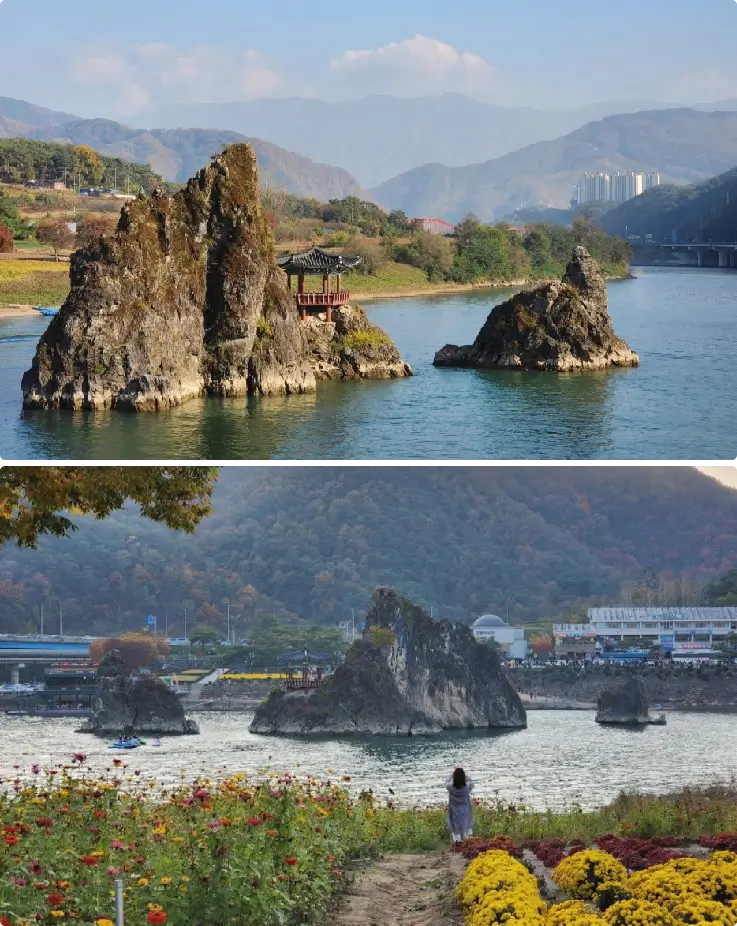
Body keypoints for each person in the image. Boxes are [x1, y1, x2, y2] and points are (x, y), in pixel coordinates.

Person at [445, 767, 474, 843]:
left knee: (456, 829)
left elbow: (446, 782)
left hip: (455, 810)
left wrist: (451, 775)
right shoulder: (467, 787)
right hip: (465, 810)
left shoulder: (451, 787)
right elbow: (471, 782)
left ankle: (457, 843)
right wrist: (466, 776)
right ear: (463, 777)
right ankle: (470, 843)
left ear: (454, 777)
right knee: (467, 825)